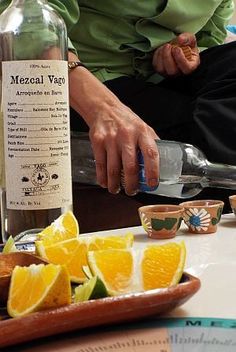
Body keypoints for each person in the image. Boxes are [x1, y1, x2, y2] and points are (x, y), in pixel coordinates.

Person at [1, 0, 236, 202]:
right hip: (75, 83)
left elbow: (209, 37)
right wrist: (103, 109)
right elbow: (26, 23)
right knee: (191, 141)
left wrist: (183, 54)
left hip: (158, 84)